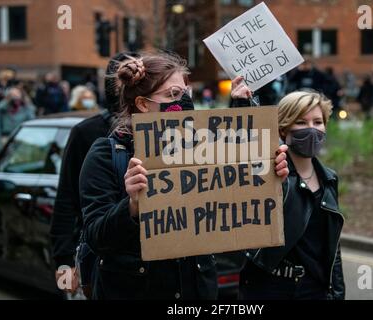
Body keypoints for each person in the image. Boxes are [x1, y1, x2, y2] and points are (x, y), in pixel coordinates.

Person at [78, 51, 289, 300]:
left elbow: (236, 204)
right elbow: (96, 236)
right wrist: (132, 206)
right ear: (143, 104)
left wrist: (269, 177)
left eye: (185, 93)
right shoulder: (106, 154)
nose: (184, 102)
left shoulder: (200, 146)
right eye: (173, 95)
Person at [237, 90, 345, 300]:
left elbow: (333, 246)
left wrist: (338, 292)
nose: (312, 129)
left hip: (314, 289)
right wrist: (240, 103)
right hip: (270, 288)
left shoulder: (329, 179)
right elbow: (242, 151)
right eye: (302, 123)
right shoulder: (270, 172)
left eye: (317, 121)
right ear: (284, 129)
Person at [50, 52, 140, 299]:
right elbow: (66, 198)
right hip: (93, 256)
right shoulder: (86, 133)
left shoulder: (162, 132)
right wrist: (64, 261)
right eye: (125, 74)